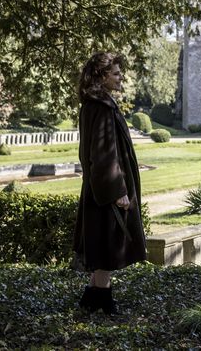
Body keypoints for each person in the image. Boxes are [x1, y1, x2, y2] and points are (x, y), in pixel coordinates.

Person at [74, 52, 147, 314]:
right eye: (116, 73)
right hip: (106, 190)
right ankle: (103, 300)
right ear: (103, 76)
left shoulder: (94, 104)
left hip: (99, 189)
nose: (121, 77)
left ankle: (91, 299)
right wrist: (118, 191)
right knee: (106, 245)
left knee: (101, 241)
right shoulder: (102, 107)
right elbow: (103, 154)